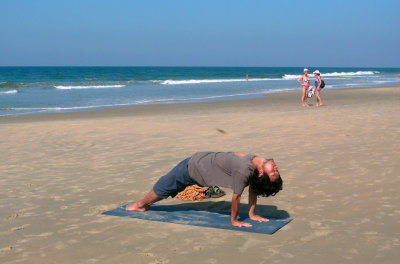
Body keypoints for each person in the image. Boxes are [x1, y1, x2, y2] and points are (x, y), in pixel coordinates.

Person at [126, 152, 283, 228]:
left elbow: (238, 196)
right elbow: (251, 188)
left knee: (165, 186)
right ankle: (141, 205)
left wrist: (242, 218)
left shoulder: (247, 170)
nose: (276, 169)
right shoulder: (254, 161)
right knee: (167, 186)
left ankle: (139, 205)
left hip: (196, 168)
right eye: (276, 172)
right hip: (198, 163)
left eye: (273, 172)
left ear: (261, 173)